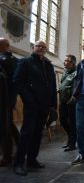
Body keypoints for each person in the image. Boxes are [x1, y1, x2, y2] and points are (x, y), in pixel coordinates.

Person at [13, 40, 57, 176]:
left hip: (44, 105)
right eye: (38, 46)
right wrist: (28, 99)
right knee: (27, 133)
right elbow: (17, 81)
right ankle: (19, 163)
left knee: (38, 133)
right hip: (32, 104)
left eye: (44, 47)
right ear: (33, 47)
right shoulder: (25, 62)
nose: (41, 48)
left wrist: (52, 104)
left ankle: (32, 159)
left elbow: (52, 85)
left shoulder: (48, 64)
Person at [0, 38, 20, 167]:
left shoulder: (4, 59)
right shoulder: (15, 60)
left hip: (3, 98)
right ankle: (20, 147)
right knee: (8, 125)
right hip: (8, 98)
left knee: (4, 127)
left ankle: (7, 156)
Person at [58, 55, 77, 152]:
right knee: (62, 120)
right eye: (64, 60)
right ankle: (71, 138)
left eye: (67, 61)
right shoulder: (65, 72)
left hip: (71, 102)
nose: (64, 62)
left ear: (72, 63)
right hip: (63, 101)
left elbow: (77, 86)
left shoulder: (77, 73)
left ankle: (72, 143)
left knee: (73, 123)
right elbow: (64, 84)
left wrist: (73, 98)